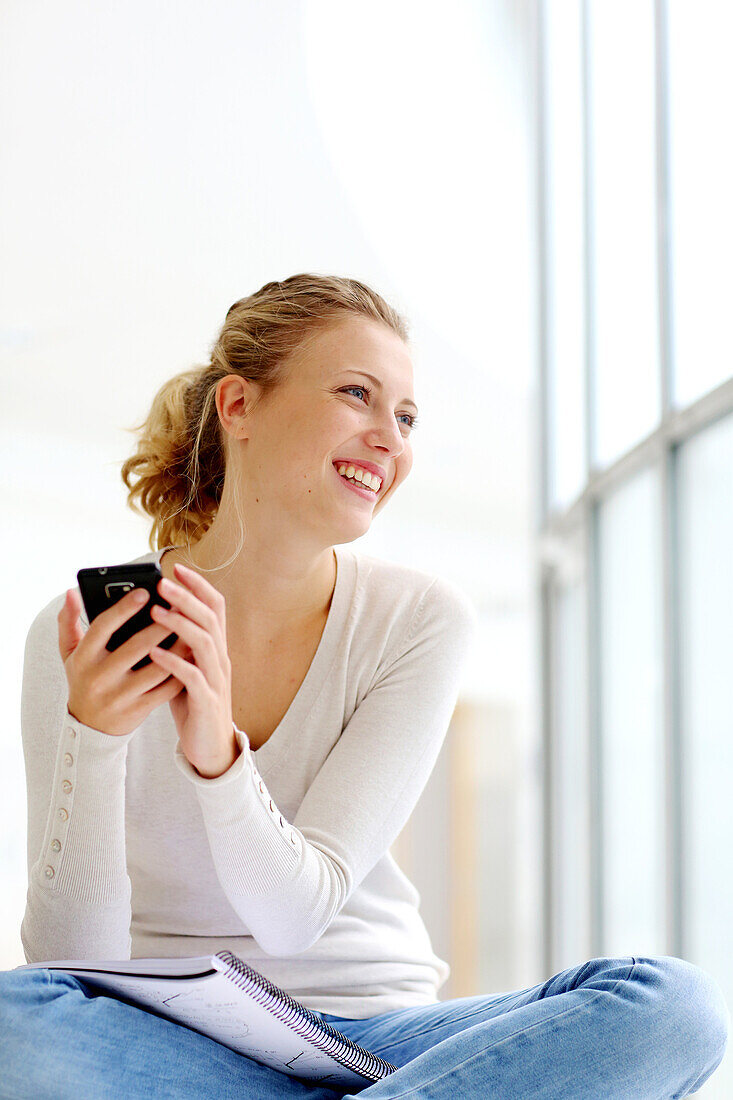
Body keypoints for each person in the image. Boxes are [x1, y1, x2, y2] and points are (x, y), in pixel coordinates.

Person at [1, 273, 728, 1099]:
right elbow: (68, 965)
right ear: (238, 407)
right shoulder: (78, 637)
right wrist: (94, 740)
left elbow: (291, 917)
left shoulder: (415, 619)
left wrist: (215, 756)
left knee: (672, 1008)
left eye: (407, 417)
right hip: (180, 1048)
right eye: (358, 394)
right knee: (13, 1014)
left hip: (386, 1040)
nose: (391, 439)